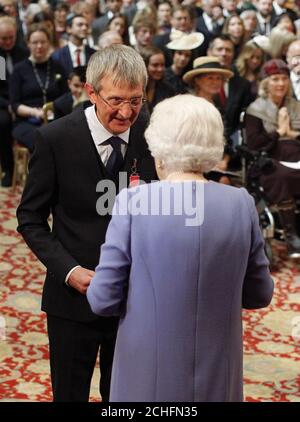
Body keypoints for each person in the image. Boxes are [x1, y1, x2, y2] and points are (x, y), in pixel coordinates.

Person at [87, 94, 274, 402]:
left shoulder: (135, 201)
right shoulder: (241, 204)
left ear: (159, 149)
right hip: (218, 374)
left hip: (146, 372)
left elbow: (103, 298)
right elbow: (259, 294)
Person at [16, 45, 157, 402]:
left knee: (125, 397)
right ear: (91, 92)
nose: (127, 112)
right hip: (72, 299)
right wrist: (69, 270)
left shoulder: (153, 136)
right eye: (116, 100)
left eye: (136, 101)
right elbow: (30, 218)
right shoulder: (55, 138)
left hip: (135, 296)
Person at [245, 59, 300, 258]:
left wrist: (292, 133)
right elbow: (254, 144)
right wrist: (279, 132)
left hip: (296, 155)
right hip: (269, 159)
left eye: (284, 79)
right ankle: (291, 236)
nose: (280, 83)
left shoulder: (296, 106)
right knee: (281, 176)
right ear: (266, 83)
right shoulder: (256, 110)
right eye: (275, 79)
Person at [9, 25, 68, 152]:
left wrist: (53, 111)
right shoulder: (19, 69)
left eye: (43, 42)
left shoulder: (58, 67)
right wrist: (35, 112)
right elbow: (15, 104)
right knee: (41, 141)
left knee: (65, 137)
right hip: (27, 121)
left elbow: (66, 95)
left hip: (55, 118)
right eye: (35, 42)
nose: (39, 46)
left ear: (49, 44)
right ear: (28, 44)